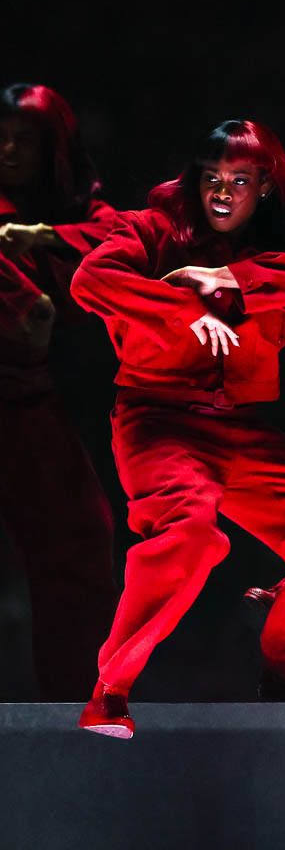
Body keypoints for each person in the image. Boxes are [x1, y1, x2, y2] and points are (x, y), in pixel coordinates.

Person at [72, 120, 285, 738]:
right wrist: (183, 309)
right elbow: (91, 280)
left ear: (264, 188)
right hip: (156, 422)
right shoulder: (150, 230)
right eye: (212, 178)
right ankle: (109, 690)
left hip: (239, 431)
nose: (222, 192)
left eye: (239, 181)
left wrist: (228, 281)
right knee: (190, 533)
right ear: (195, 181)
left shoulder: (277, 258)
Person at [0, 83, 119, 700]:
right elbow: (35, 319)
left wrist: (45, 236)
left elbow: (132, 250)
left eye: (26, 139)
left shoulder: (84, 213)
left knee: (79, 555)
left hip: (55, 402)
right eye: (1, 138)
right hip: (25, 397)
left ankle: (77, 717)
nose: (10, 150)